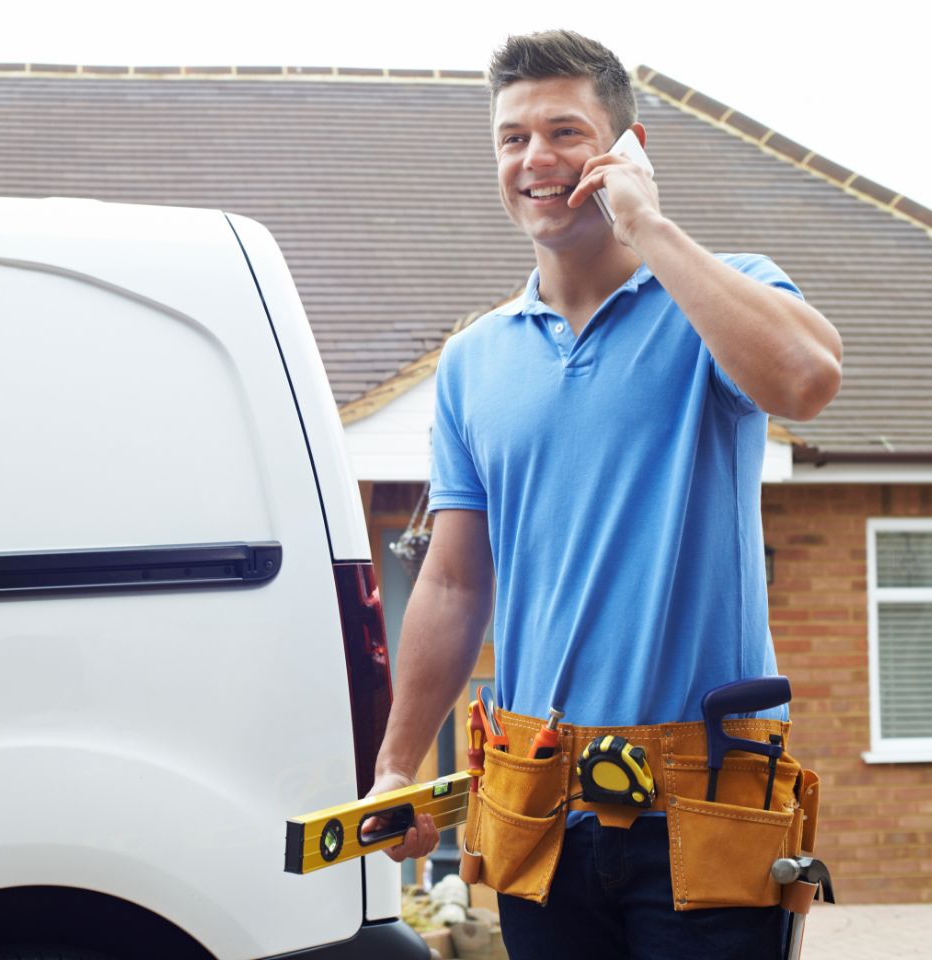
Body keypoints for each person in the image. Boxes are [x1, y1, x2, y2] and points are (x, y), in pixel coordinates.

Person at [368, 29, 842, 960]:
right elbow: (458, 585)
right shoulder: (475, 362)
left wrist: (650, 229)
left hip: (705, 807)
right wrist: (395, 766)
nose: (535, 158)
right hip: (540, 807)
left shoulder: (720, 294)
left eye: (564, 131)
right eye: (512, 138)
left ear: (626, 150)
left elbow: (807, 380)